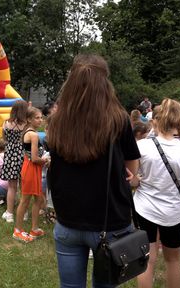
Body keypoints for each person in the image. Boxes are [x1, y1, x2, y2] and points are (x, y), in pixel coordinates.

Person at [46, 54, 140, 287]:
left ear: (71, 82)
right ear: (106, 82)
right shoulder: (118, 119)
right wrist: (132, 178)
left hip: (68, 219)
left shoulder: (57, 121)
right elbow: (131, 170)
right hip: (111, 222)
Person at [134, 99, 180, 288]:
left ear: (157, 119)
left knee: (147, 259)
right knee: (173, 260)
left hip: (144, 207)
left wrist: (140, 181)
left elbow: (131, 180)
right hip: (173, 210)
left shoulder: (142, 146)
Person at [13, 107, 48, 243]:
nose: (40, 120)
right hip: (31, 169)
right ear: (29, 119)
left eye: (41, 117)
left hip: (33, 169)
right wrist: (45, 160)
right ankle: (18, 230)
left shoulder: (30, 132)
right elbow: (34, 158)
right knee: (25, 200)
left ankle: (34, 228)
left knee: (38, 200)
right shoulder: (33, 135)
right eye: (37, 118)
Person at [0, 100, 29, 222]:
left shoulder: (6, 123)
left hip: (10, 153)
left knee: (12, 186)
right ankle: (24, 213)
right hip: (23, 154)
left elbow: (4, 138)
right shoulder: (27, 124)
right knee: (23, 186)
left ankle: (10, 213)